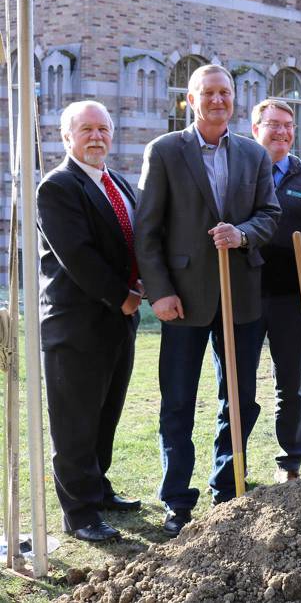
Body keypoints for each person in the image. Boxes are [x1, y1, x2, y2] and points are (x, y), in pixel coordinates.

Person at [135, 64, 281, 536]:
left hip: (240, 298)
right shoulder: (164, 152)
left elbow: (270, 216)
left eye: (226, 93)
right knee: (177, 401)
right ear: (190, 100)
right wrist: (159, 292)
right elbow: (147, 230)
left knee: (238, 399)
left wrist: (242, 234)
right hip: (182, 301)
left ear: (235, 99)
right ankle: (177, 501)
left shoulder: (253, 155)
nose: (218, 100)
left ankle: (228, 490)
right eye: (209, 93)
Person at [36, 101, 143, 542]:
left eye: (103, 128)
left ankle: (97, 490)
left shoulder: (116, 182)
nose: (97, 136)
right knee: (75, 424)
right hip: (76, 325)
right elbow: (77, 255)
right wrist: (123, 297)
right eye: (86, 130)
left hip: (118, 324)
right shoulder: (57, 186)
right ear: (67, 137)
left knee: (105, 416)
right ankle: (79, 514)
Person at [250, 99, 301, 483]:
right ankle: (231, 465)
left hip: (291, 299)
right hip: (244, 296)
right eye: (273, 124)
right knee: (236, 387)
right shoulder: (240, 169)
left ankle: (290, 462)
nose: (282, 131)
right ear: (255, 128)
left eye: (288, 125)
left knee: (290, 387)